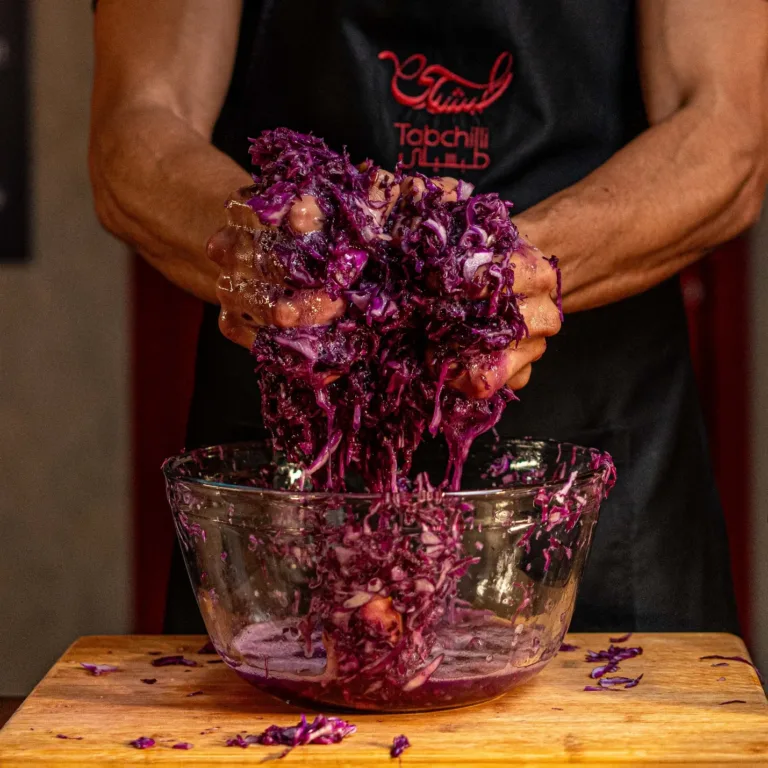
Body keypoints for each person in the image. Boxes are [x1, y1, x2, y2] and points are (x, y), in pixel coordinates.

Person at [89, 0, 767, 635]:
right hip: (284, 481)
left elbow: (721, 125)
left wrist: (505, 268)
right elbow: (140, 121)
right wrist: (273, 246)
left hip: (600, 475)